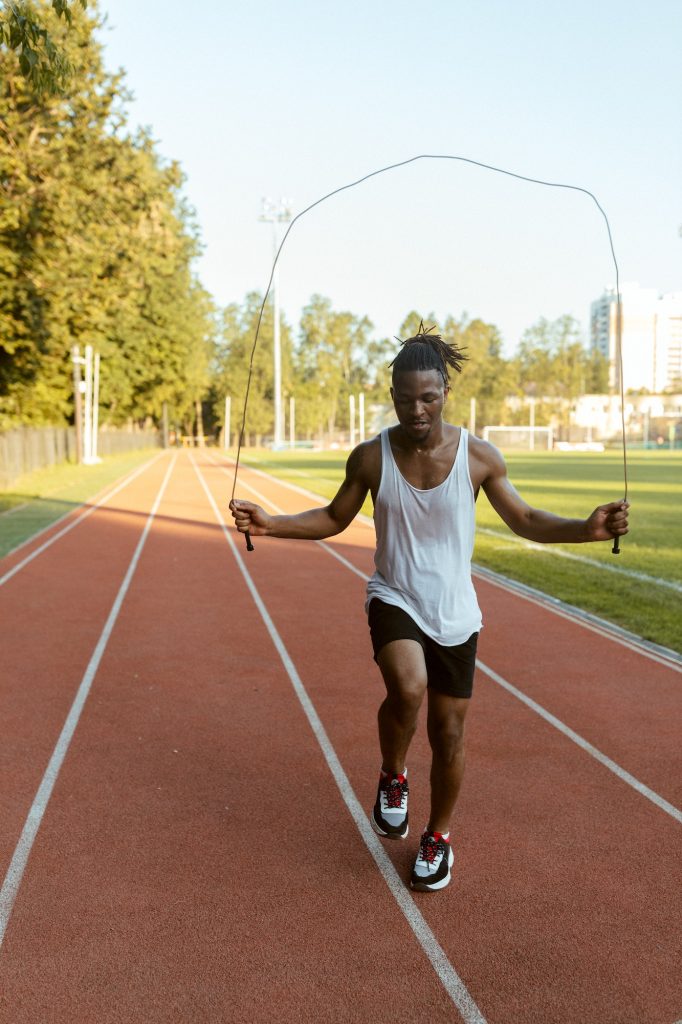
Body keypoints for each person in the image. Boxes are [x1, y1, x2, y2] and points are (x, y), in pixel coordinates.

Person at [229, 327, 629, 892]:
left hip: (456, 612)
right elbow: (333, 517)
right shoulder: (371, 457)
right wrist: (273, 523)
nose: (416, 410)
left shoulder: (478, 457)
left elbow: (527, 520)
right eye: (403, 399)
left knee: (449, 734)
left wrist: (585, 530)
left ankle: (438, 837)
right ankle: (394, 775)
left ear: (445, 392)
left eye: (428, 398)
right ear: (391, 395)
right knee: (408, 684)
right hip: (394, 595)